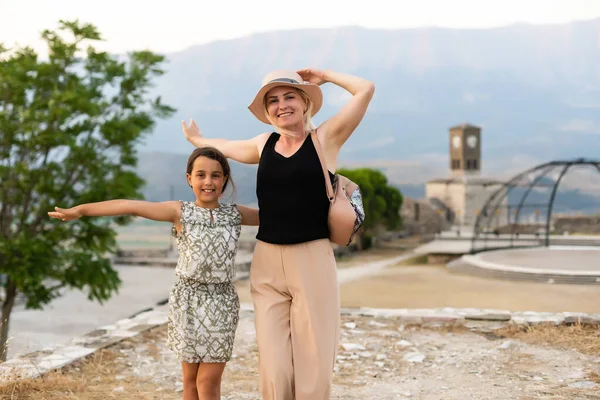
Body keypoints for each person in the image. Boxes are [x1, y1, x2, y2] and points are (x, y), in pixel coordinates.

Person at [181, 68, 374, 400]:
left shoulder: (325, 139)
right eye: (272, 100)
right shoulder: (263, 144)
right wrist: (199, 141)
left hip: (312, 260)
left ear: (304, 102)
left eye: (289, 96)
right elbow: (225, 146)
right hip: (267, 263)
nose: (281, 105)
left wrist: (324, 75)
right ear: (267, 111)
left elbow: (365, 89)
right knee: (274, 365)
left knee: (313, 362)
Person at [48, 147, 259, 400]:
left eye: (215, 175)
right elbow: (130, 206)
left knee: (208, 381)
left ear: (225, 179)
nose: (208, 182)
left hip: (222, 303)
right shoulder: (180, 211)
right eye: (200, 175)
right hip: (187, 301)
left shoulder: (235, 214)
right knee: (190, 382)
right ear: (189, 178)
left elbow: (279, 217)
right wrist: (81, 210)